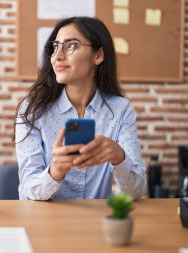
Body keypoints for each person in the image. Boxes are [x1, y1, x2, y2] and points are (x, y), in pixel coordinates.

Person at [13, 16, 147, 201]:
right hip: (44, 223)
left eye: (71, 45)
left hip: (97, 223)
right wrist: (55, 171)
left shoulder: (120, 110)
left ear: (98, 55)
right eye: (55, 47)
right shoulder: (32, 110)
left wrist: (119, 157)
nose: (57, 56)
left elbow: (137, 191)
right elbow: (28, 192)